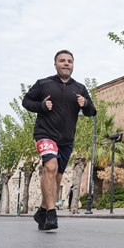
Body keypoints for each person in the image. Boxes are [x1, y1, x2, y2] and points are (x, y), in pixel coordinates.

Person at [22, 50, 96, 231]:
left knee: (57, 177)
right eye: (62, 61)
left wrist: (86, 104)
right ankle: (51, 213)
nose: (66, 63)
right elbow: (26, 102)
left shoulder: (79, 88)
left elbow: (92, 111)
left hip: (66, 140)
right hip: (45, 134)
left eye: (69, 61)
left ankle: (42, 211)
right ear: (55, 64)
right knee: (50, 167)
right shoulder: (44, 83)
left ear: (73, 65)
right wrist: (41, 106)